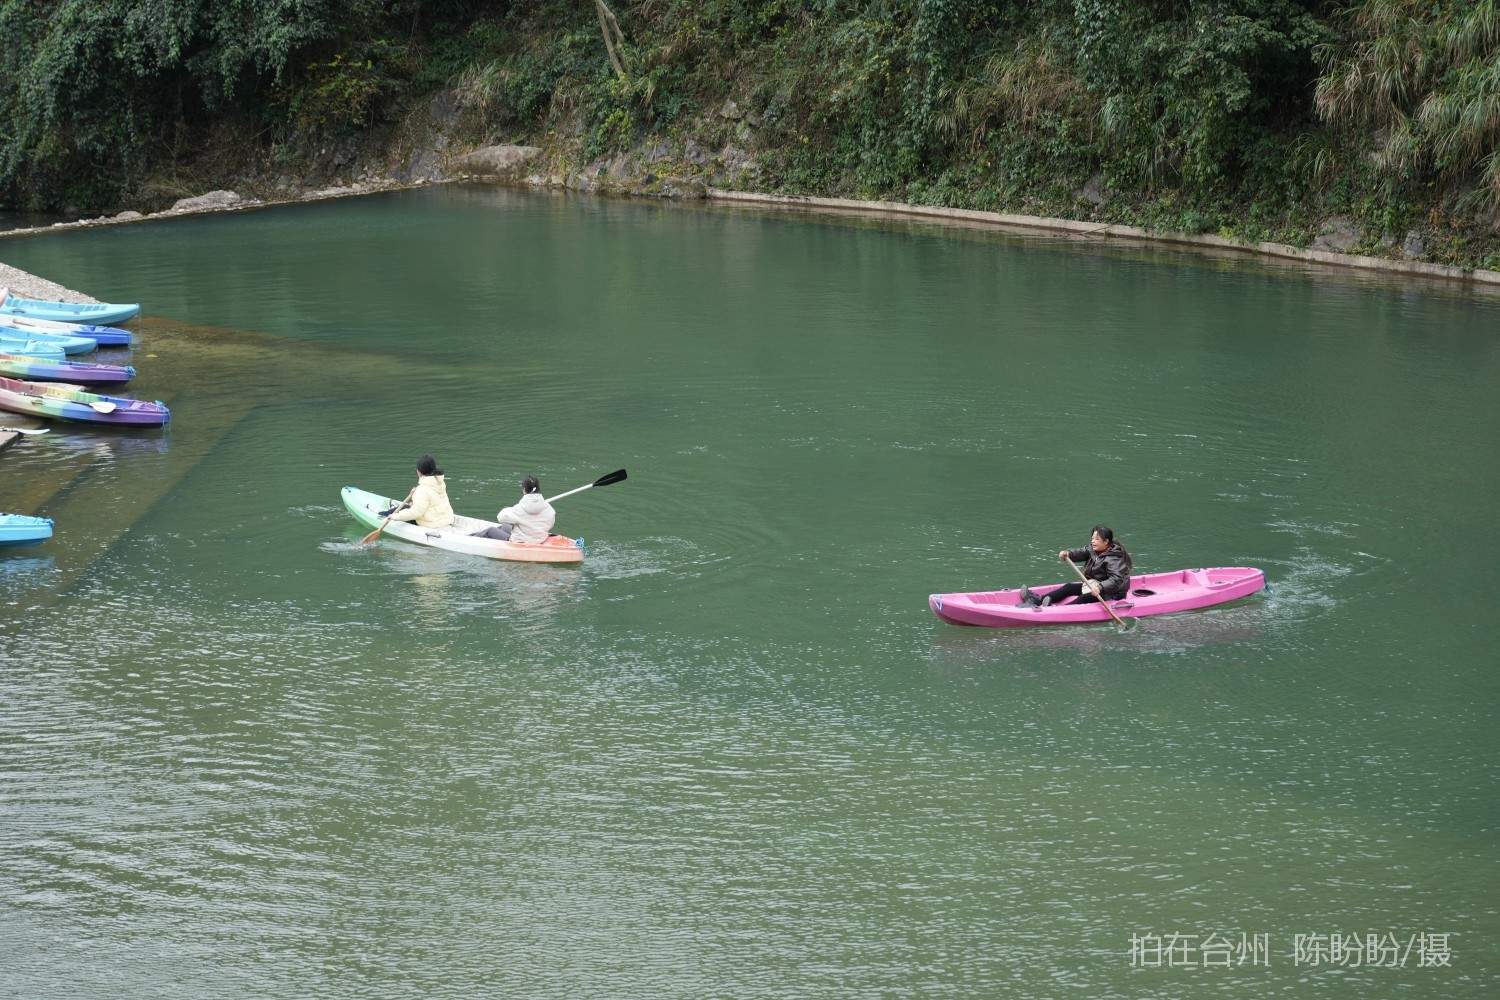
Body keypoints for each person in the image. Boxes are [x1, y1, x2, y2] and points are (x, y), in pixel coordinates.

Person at [1020, 525, 1133, 607]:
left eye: (1097, 539)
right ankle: (1039, 600)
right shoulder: (1093, 550)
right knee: (1069, 587)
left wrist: (1100, 587)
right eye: (1092, 538)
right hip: (1094, 584)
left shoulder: (1114, 558)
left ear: (1106, 542)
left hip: (1112, 593)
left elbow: (1116, 579)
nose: (1093, 541)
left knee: (1086, 597)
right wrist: (1068, 553)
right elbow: (1080, 552)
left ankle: (1061, 610)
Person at [471, 475, 555, 542]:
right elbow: (550, 524)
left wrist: (508, 509)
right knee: (504, 526)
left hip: (521, 540)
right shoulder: (549, 508)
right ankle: (473, 535)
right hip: (540, 538)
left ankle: (469, 539)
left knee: (490, 530)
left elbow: (500, 517)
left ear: (524, 489)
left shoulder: (519, 509)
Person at [380, 455, 455, 528]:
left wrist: (395, 516)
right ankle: (386, 513)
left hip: (432, 524)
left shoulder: (422, 490)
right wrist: (413, 495)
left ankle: (383, 515)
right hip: (447, 519)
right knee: (407, 506)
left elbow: (416, 513)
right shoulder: (440, 482)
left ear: (419, 471)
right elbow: (431, 501)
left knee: (402, 510)